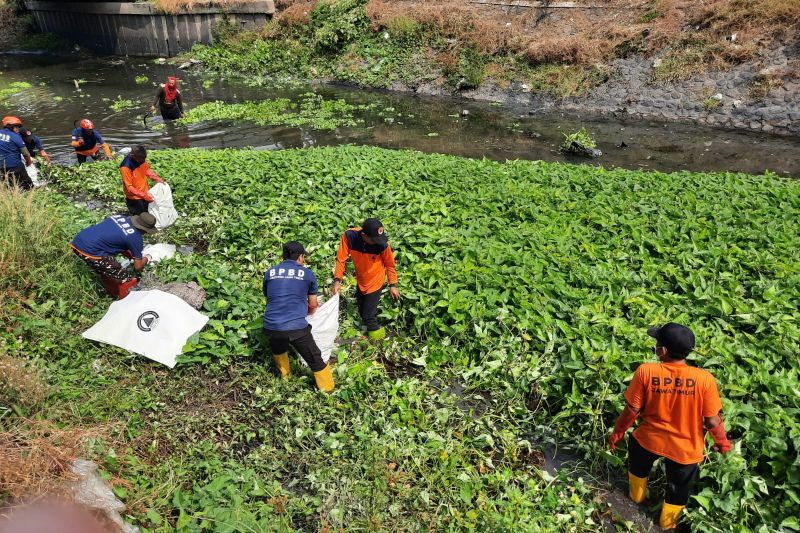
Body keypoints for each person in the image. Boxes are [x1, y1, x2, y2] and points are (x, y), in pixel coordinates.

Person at [609, 323, 731, 530]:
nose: (656, 346)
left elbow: (632, 410)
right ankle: (666, 525)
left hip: (648, 440)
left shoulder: (646, 371)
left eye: (657, 343)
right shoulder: (704, 379)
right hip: (685, 449)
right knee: (678, 490)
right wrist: (722, 442)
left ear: (663, 350)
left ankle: (635, 500)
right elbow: (712, 420)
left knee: (638, 470)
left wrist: (618, 433)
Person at [263, 241, 334, 392]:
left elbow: (270, 298)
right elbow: (313, 305)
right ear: (301, 257)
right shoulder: (307, 274)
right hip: (296, 328)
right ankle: (328, 391)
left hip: (271, 326)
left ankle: (285, 379)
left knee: (279, 350)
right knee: (315, 359)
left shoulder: (270, 272)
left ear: (283, 256)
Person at [332, 218, 399, 340]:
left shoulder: (382, 244)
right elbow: (341, 259)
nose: (376, 242)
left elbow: (390, 264)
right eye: (373, 239)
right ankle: (372, 333)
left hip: (376, 280)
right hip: (361, 280)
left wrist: (392, 284)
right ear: (364, 235)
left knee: (369, 316)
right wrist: (337, 280)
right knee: (362, 311)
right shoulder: (349, 237)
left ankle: (379, 340)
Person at [70, 212, 158, 299]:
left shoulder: (120, 217)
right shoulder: (135, 238)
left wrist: (131, 256)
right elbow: (137, 267)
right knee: (127, 278)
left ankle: (110, 290)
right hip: (91, 253)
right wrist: (147, 258)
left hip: (78, 242)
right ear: (144, 230)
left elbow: (118, 239)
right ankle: (124, 301)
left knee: (108, 270)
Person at [120, 145, 164, 215]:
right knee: (139, 218)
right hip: (134, 198)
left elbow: (146, 169)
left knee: (148, 215)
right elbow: (129, 187)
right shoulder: (125, 167)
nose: (143, 161)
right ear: (133, 156)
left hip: (145, 193)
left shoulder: (141, 158)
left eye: (144, 158)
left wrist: (156, 178)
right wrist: (143, 195)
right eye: (140, 159)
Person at [0, 116, 34, 190]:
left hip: (1, 166)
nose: (18, 129)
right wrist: (29, 162)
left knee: (10, 185)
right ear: (11, 127)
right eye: (17, 127)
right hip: (15, 165)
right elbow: (25, 153)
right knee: (28, 185)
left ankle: (13, 196)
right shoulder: (16, 137)